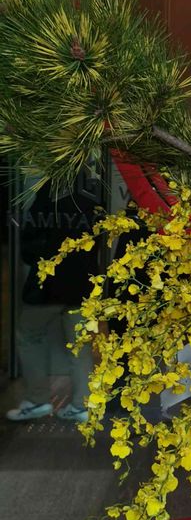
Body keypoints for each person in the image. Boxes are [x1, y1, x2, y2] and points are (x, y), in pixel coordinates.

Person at [6, 181, 98, 423]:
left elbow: (29, 243)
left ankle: (37, 400)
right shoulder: (91, 197)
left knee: (29, 335)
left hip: (47, 288)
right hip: (82, 286)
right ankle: (82, 406)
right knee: (80, 347)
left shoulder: (46, 196)